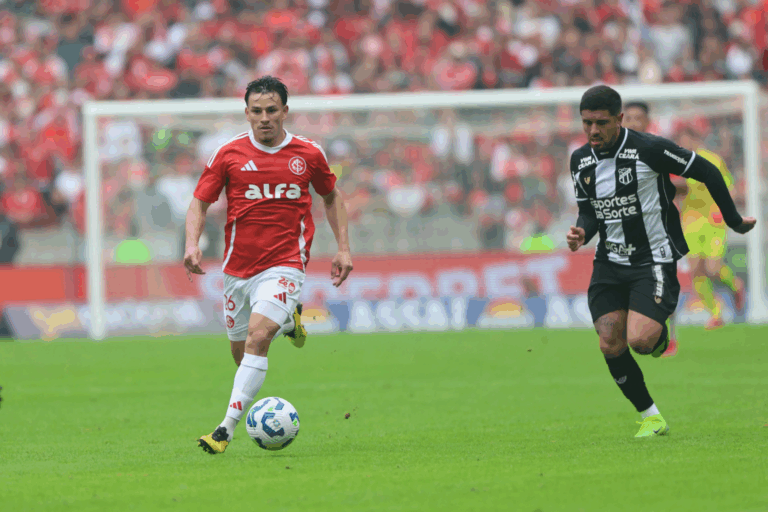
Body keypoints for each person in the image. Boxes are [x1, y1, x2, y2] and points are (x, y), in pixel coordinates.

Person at [566, 85, 755, 437]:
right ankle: (651, 416)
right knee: (609, 340)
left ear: (619, 120)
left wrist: (733, 220)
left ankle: (659, 337)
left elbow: (708, 173)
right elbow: (588, 212)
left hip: (653, 259)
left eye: (601, 123)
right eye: (587, 123)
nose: (593, 131)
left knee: (639, 341)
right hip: (608, 261)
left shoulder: (649, 148)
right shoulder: (580, 160)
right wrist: (580, 231)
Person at [184, 76, 353, 454]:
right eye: (257, 111)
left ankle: (223, 431)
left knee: (258, 338)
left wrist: (343, 248)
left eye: (271, 110)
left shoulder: (308, 154)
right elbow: (199, 201)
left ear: (285, 112)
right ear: (246, 113)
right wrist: (192, 244)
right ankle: (290, 322)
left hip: (285, 263)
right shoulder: (228, 154)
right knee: (242, 352)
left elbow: (332, 197)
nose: (264, 118)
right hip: (236, 270)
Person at [622, 101, 678, 357]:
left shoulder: (657, 149)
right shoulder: (611, 153)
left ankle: (669, 336)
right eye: (629, 118)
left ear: (647, 121)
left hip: (658, 229)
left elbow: (680, 183)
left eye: (638, 118)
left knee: (664, 282)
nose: (633, 123)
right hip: (626, 231)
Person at [676, 125, 746, 330]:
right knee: (696, 270)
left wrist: (725, 210)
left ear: (695, 140)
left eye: (685, 140)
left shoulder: (712, 160)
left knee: (713, 268)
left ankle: (736, 285)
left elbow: (729, 189)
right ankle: (715, 313)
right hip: (690, 221)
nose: (682, 145)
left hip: (713, 219)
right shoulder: (678, 164)